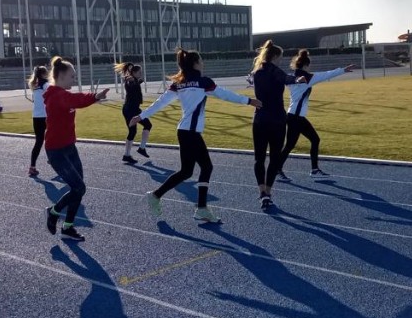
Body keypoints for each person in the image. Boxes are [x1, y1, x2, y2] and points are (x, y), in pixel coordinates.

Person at [130, 49, 261, 223]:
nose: (203, 63)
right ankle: (199, 208)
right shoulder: (203, 82)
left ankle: (159, 196)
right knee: (205, 167)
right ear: (195, 63)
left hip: (184, 131)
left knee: (188, 171)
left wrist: (141, 116)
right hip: (190, 133)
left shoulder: (180, 83)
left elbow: (161, 102)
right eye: (201, 60)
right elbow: (225, 94)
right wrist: (249, 101)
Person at [44, 56, 109, 242]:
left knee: (78, 189)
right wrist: (95, 96)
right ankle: (54, 212)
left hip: (69, 147)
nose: (74, 79)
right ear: (61, 76)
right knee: (79, 187)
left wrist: (93, 98)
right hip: (56, 150)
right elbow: (76, 99)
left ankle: (68, 227)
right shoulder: (57, 96)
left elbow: (75, 100)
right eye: (72, 76)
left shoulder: (63, 95)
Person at [276, 49, 354, 181]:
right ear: (306, 65)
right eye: (309, 65)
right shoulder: (308, 78)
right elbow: (326, 74)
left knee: (310, 141)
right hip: (296, 117)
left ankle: (314, 169)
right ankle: (278, 169)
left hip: (294, 115)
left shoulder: (291, 76)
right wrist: (343, 70)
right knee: (293, 144)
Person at [251, 40, 304, 210]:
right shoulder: (275, 71)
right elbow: (286, 78)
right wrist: (298, 79)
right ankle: (268, 192)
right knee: (274, 158)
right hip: (277, 120)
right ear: (274, 56)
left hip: (260, 119)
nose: (281, 60)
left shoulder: (257, 72)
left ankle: (262, 192)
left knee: (259, 158)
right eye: (280, 57)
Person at [114, 62, 152, 164]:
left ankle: (142, 148)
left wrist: (138, 81)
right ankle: (126, 155)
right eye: (139, 72)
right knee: (132, 131)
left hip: (135, 109)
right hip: (129, 110)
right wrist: (133, 80)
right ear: (134, 73)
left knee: (148, 125)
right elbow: (131, 83)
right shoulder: (130, 80)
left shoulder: (134, 80)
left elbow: (136, 84)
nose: (141, 74)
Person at [28, 66, 50, 177]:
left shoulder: (34, 86)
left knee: (39, 141)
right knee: (52, 138)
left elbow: (34, 100)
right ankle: (53, 158)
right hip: (45, 116)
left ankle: (32, 166)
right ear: (43, 74)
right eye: (46, 73)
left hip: (36, 117)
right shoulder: (46, 85)